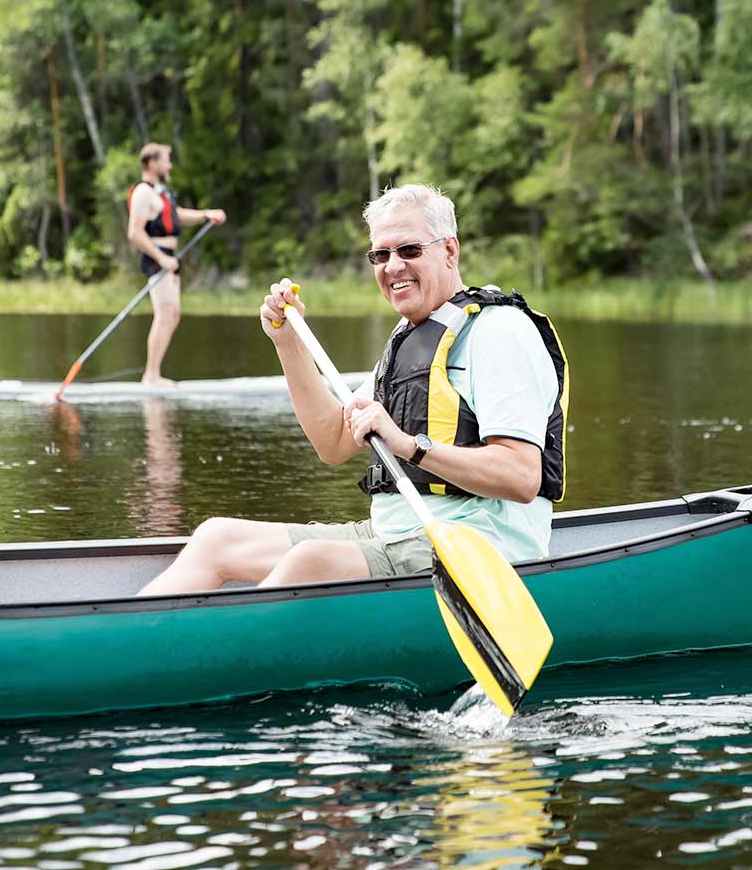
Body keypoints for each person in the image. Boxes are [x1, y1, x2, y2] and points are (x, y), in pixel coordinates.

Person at [138, 184, 568, 595]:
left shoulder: (499, 332)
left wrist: (408, 445)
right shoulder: (410, 338)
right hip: (393, 535)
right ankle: (132, 641)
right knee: (217, 538)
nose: (392, 266)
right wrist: (288, 343)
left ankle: (197, 659)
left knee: (310, 564)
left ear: (450, 251)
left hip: (477, 547)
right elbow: (333, 443)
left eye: (409, 250)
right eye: (379, 255)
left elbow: (521, 476)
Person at [125, 143, 227, 386]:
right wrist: (161, 259)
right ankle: (151, 376)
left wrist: (206, 215)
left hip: (169, 257)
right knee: (165, 313)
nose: (169, 165)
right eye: (166, 160)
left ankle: (153, 374)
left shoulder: (162, 192)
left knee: (173, 314)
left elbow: (176, 214)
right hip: (157, 256)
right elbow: (134, 233)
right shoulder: (143, 192)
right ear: (151, 163)